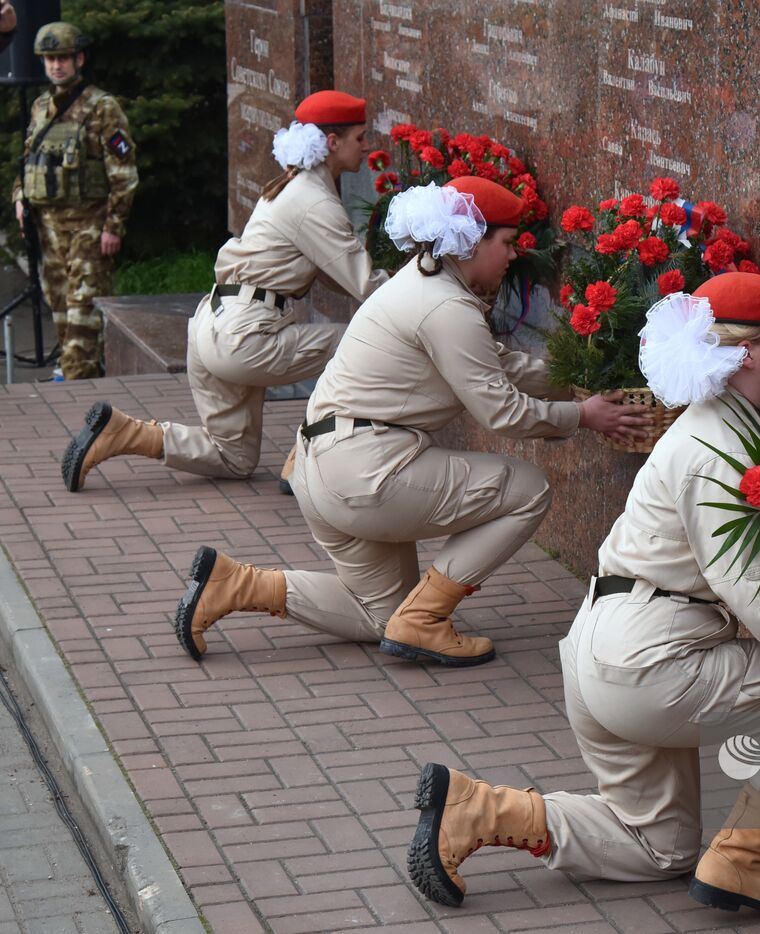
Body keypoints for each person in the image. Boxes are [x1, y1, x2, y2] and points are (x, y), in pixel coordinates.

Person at [402, 273, 760, 920]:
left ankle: (478, 810)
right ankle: (745, 860)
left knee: (659, 847)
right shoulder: (724, 451)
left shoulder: (719, 426)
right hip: (648, 667)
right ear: (742, 352)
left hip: (602, 653)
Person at [168, 175, 650, 667]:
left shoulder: (422, 280)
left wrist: (575, 378)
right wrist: (583, 416)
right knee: (528, 490)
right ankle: (426, 619)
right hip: (366, 473)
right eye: (506, 243)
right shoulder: (448, 306)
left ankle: (236, 584)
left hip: (322, 467)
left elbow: (495, 364)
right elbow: (501, 411)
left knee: (380, 616)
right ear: (470, 241)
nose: (512, 256)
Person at [59, 90, 388, 494]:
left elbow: (337, 273)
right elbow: (367, 285)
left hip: (210, 326)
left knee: (234, 458)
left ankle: (125, 433)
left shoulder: (292, 186)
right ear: (333, 143)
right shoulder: (314, 201)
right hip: (245, 338)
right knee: (359, 343)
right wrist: (437, 288)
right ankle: (306, 454)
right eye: (360, 136)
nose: (367, 145)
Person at [11, 21, 137, 381]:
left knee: (83, 315)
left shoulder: (102, 108)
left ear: (79, 59)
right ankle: (75, 381)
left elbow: (124, 173)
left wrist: (113, 227)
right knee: (62, 313)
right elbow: (26, 162)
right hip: (47, 229)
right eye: (50, 59)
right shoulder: (40, 107)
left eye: (63, 57)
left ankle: (74, 391)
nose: (56, 66)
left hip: (88, 226)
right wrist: (21, 199)